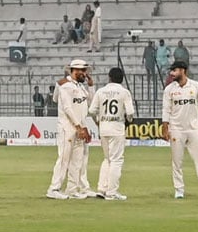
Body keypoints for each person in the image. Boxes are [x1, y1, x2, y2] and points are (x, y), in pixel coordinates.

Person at [46, 59, 94, 200]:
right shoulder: (65, 85)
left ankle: (72, 189)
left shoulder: (80, 87)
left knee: (77, 160)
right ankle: (53, 188)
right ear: (72, 70)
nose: (83, 73)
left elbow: (90, 103)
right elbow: (66, 107)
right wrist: (78, 126)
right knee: (64, 158)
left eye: (84, 71)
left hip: (80, 126)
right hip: (68, 127)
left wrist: (91, 86)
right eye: (80, 70)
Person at [87, 67, 135, 201]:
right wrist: (128, 121)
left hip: (104, 127)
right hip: (117, 127)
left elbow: (91, 110)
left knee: (107, 159)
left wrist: (98, 122)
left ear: (109, 77)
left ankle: (102, 189)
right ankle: (112, 192)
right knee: (117, 160)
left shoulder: (101, 91)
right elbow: (130, 113)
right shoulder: (124, 92)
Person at [161, 61, 198, 199]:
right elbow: (166, 110)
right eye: (171, 70)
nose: (172, 73)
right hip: (176, 129)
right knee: (177, 162)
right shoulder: (169, 89)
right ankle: (179, 190)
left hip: (194, 129)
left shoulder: (196, 86)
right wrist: (165, 128)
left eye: (175, 70)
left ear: (183, 70)